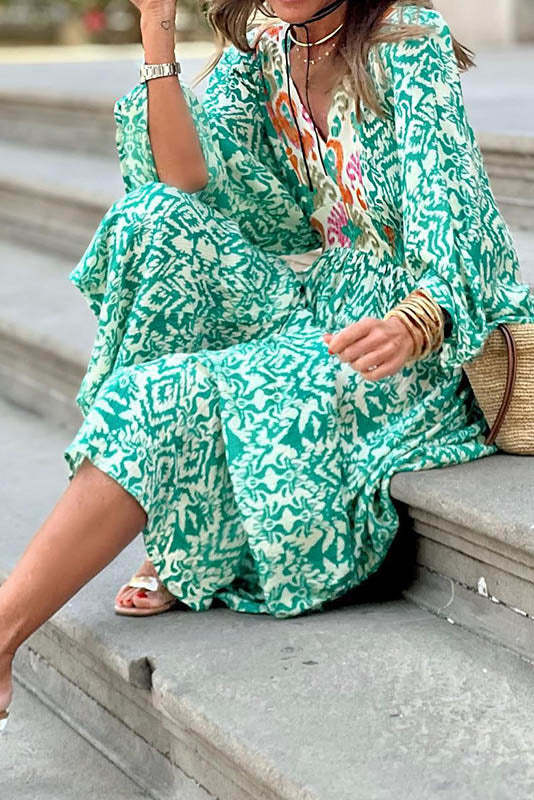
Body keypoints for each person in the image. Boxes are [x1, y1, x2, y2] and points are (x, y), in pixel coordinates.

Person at [1, 0, 533, 733]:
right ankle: (168, 511)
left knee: (167, 396)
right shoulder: (272, 45)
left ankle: (140, 540)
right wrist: (156, 30)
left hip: (419, 327)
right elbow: (183, 178)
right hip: (324, 294)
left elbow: (455, 210)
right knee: (153, 224)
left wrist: (417, 322)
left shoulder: (407, 39)